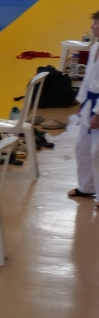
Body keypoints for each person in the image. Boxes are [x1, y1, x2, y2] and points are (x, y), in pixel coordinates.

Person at [72, 11, 99, 200]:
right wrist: (81, 102)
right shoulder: (96, 46)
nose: (92, 26)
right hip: (89, 102)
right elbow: (88, 79)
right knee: (82, 147)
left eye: (96, 23)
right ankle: (87, 187)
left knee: (97, 152)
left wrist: (98, 113)